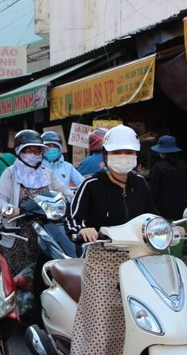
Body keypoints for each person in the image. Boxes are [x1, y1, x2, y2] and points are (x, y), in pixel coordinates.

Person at [65, 124, 157, 354]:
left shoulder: (140, 184)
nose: (123, 157)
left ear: (136, 156)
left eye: (129, 153)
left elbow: (151, 216)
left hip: (139, 261)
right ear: (105, 156)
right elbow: (71, 220)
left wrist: (166, 228)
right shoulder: (91, 185)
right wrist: (83, 230)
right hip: (102, 264)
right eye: (117, 152)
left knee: (144, 322)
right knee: (101, 326)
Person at [0, 129, 73, 277]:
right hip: (19, 235)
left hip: (48, 232)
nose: (34, 154)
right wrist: (9, 209)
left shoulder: (47, 173)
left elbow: (66, 192)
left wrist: (71, 200)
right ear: (19, 151)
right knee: (19, 277)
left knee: (49, 271)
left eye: (37, 151)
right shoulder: (10, 173)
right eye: (29, 150)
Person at [150, 135, 187, 220]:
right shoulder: (183, 165)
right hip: (181, 210)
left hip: (163, 211)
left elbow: (154, 192)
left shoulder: (158, 167)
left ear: (163, 153)